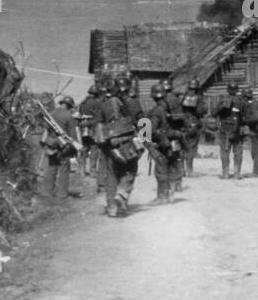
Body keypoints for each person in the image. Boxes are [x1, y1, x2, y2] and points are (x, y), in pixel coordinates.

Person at [97, 75, 141, 217]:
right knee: (130, 170)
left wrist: (105, 147)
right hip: (128, 140)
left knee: (112, 175)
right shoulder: (131, 102)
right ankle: (122, 196)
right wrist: (146, 139)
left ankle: (111, 206)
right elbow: (143, 120)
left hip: (111, 143)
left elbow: (98, 126)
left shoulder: (104, 104)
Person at [147, 84, 185, 204]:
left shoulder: (156, 111)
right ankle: (171, 195)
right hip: (175, 142)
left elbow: (151, 130)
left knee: (161, 170)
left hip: (162, 144)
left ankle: (161, 197)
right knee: (172, 168)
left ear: (154, 97)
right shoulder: (173, 108)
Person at [40, 95, 79, 202]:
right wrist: (74, 149)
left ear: (61, 103)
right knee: (64, 169)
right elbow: (72, 135)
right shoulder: (69, 116)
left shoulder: (51, 113)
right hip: (63, 146)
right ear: (69, 106)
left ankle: (47, 192)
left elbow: (46, 130)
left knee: (51, 168)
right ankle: (62, 194)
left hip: (52, 144)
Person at [215, 83, 245, 179]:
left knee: (225, 151)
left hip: (226, 129)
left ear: (228, 90)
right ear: (237, 90)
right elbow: (247, 117)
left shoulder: (223, 100)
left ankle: (226, 173)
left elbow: (213, 113)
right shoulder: (241, 101)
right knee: (238, 151)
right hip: (236, 130)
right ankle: (236, 173)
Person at [77, 84, 104, 179]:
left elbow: (79, 115)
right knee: (94, 150)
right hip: (93, 128)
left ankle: (81, 171)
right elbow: (100, 116)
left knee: (84, 149)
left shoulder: (83, 102)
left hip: (83, 128)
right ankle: (92, 172)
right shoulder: (98, 103)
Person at [241, 86, 258, 177]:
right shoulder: (256, 103)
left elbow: (254, 118)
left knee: (256, 151)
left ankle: (257, 172)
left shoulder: (252, 104)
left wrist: (245, 120)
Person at [180, 78, 203, 177]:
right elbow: (201, 111)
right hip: (193, 125)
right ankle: (189, 170)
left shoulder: (181, 97)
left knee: (181, 147)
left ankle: (181, 170)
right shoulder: (199, 98)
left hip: (182, 124)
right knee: (191, 147)